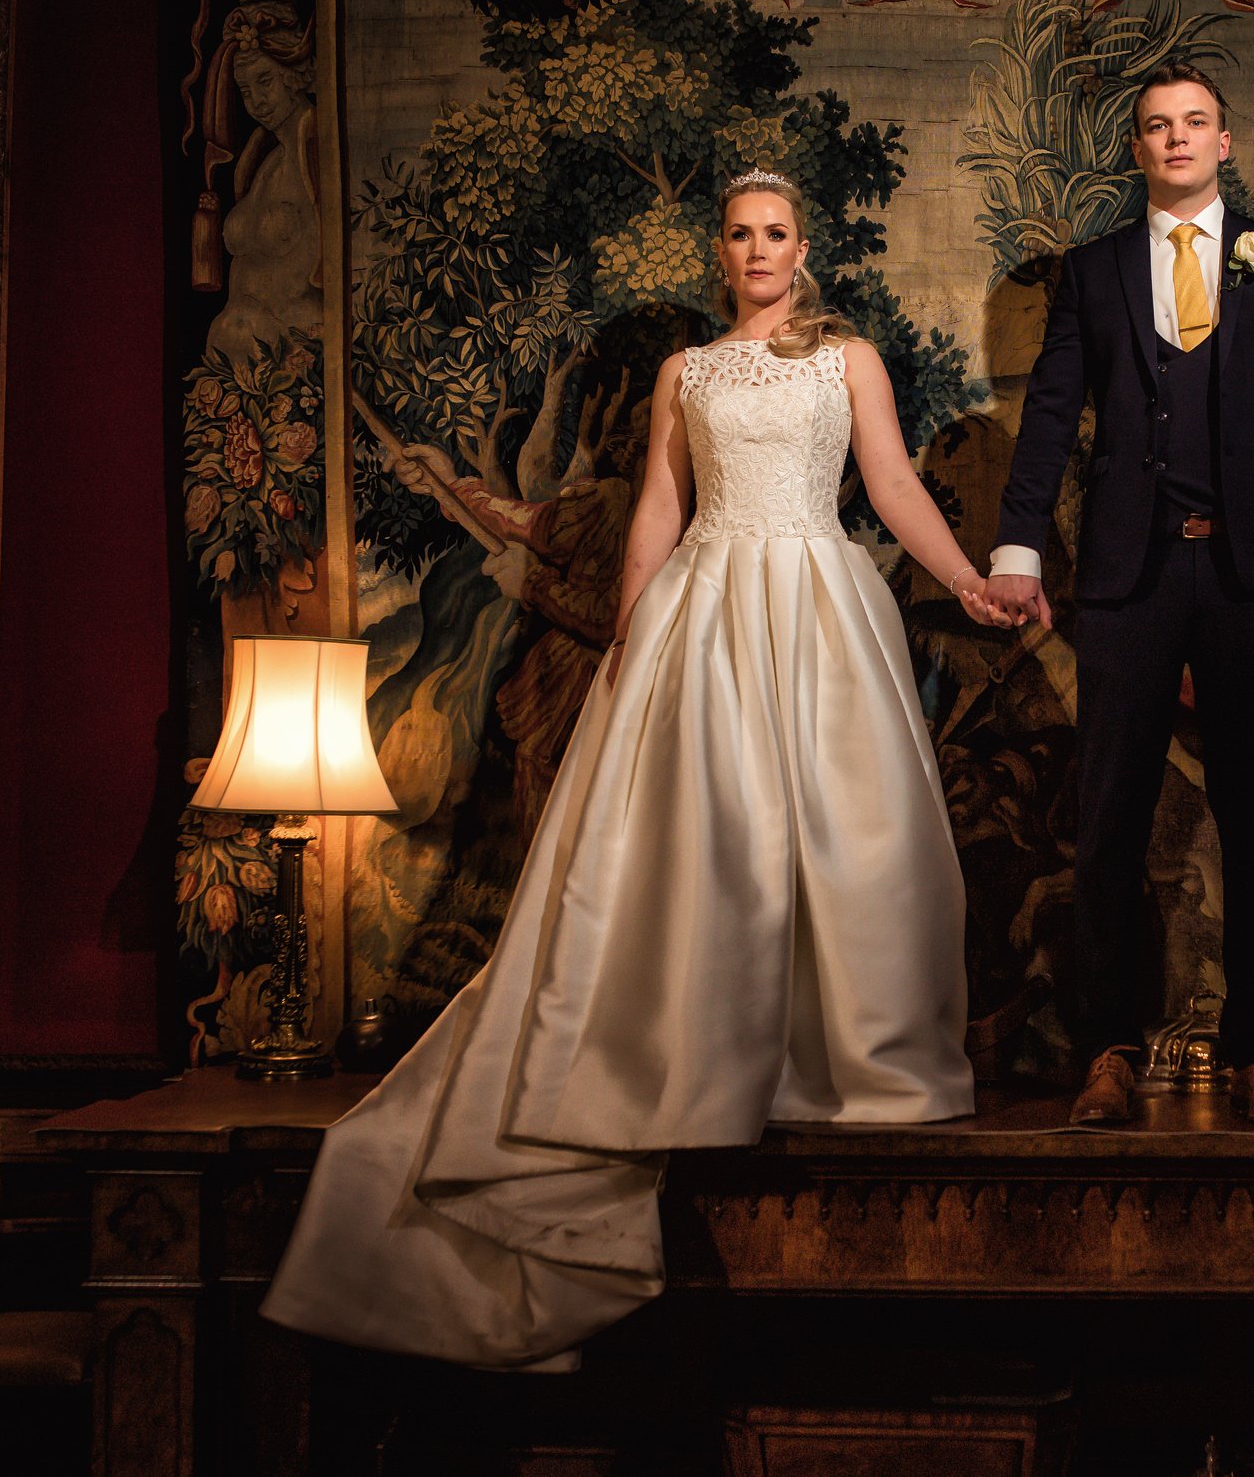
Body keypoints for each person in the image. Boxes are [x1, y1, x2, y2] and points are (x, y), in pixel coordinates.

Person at [261, 171, 1011, 1368]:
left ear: (802, 249)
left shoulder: (849, 359)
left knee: (841, 831)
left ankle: (844, 1063)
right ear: (719, 252)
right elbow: (660, 507)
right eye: (740, 234)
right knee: (709, 843)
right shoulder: (689, 373)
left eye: (776, 234)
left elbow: (891, 485)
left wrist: (965, 577)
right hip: (705, 608)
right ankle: (692, 1054)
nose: (758, 250)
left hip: (819, 598)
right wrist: (628, 632)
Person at [986, 64, 1254, 1127]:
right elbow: (1053, 414)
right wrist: (1018, 544)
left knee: (1250, 816)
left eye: (1194, 122)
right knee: (1106, 821)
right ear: (1137, 150)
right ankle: (1107, 1049)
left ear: (1223, 143)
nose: (1176, 138)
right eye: (1156, 126)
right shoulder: (1093, 271)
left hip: (1250, 573)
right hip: (1126, 575)